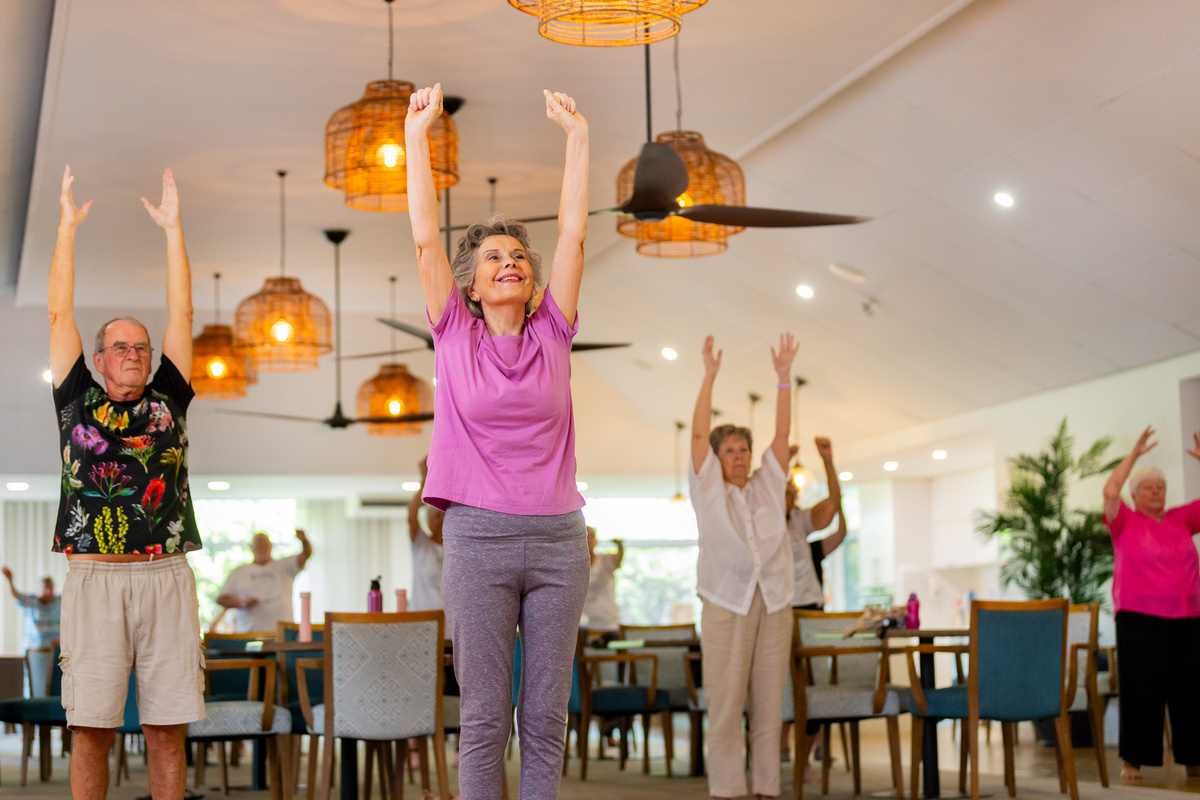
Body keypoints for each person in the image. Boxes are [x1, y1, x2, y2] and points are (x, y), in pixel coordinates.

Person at [405, 82, 590, 799]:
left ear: (534, 283)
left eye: (518, 256)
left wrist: (577, 139)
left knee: (545, 714)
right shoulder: (453, 333)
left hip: (557, 538)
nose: (509, 261)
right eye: (492, 259)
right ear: (472, 287)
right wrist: (418, 139)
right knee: (484, 716)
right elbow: (425, 235)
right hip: (477, 538)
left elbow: (573, 233)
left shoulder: (553, 332)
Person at [48, 166, 202, 799]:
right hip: (93, 575)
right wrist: (65, 228)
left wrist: (172, 231)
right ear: (98, 358)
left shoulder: (170, 396)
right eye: (120, 345)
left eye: (142, 345)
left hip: (165, 575)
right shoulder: (74, 399)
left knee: (167, 729)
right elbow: (60, 308)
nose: (135, 352)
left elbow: (184, 309)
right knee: (92, 728)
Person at [690, 333, 799, 800]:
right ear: (717, 458)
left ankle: (767, 791)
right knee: (727, 703)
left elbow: (781, 437)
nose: (739, 456)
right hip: (724, 604)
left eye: (742, 450)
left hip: (774, 602)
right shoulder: (708, 489)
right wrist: (709, 377)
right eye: (730, 450)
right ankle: (728, 791)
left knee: (770, 704)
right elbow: (697, 434)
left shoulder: (767, 487)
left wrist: (783, 380)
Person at [1102, 426, 1200, 783]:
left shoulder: (1180, 520)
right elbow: (1110, 490)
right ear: (1135, 494)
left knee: (1191, 690)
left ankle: (1194, 757)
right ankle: (1133, 760)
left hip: (1188, 617)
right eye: (1148, 487)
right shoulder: (1125, 521)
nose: (1156, 491)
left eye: (1160, 487)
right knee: (1142, 690)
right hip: (1140, 618)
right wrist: (1134, 455)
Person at [786, 437, 847, 611]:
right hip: (778, 604)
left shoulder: (798, 520)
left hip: (808, 602)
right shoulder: (761, 521)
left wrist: (827, 461)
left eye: (788, 494)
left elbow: (833, 503)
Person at [215, 530, 312, 633]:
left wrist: (304, 541)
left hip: (282, 634)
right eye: (258, 543)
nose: (262, 547)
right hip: (248, 634)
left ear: (271, 546)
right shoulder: (239, 572)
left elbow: (305, 555)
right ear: (251, 547)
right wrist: (241, 603)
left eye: (265, 543)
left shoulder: (284, 566)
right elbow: (221, 599)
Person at [2, 568, 61, 696]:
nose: (48, 591)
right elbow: (17, 595)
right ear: (40, 589)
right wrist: (10, 581)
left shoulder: (59, 601)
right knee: (34, 684)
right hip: (35, 651)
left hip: (55, 651)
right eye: (45, 588)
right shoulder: (32, 601)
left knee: (55, 684)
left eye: (50, 588)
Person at [407, 457, 448, 627]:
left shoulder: (456, 548)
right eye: (435, 516)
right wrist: (424, 479)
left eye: (442, 516)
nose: (439, 521)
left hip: (448, 624)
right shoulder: (422, 544)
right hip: (420, 621)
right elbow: (411, 517)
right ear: (428, 520)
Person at [581, 527, 624, 634]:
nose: (588, 541)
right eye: (584, 537)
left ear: (596, 541)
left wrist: (620, 546)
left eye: (590, 537)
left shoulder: (606, 559)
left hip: (607, 620)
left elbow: (618, 560)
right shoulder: (574, 564)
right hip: (583, 621)